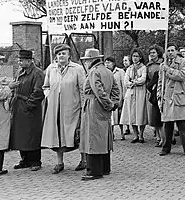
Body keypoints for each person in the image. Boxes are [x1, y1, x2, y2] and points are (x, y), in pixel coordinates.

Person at [41, 44, 86, 174]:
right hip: (55, 109)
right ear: (56, 56)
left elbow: (83, 89)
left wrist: (83, 106)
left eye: (64, 53)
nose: (61, 56)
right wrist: (49, 95)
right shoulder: (51, 69)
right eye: (59, 54)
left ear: (69, 55)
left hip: (72, 108)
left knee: (76, 134)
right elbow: (45, 86)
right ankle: (59, 162)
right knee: (57, 135)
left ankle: (83, 160)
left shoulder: (77, 69)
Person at [80, 49, 120, 181]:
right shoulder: (108, 71)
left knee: (93, 138)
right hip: (103, 108)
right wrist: (113, 103)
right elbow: (115, 89)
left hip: (93, 106)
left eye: (86, 61)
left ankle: (94, 170)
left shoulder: (94, 72)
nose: (86, 63)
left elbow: (98, 91)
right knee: (103, 136)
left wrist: (108, 103)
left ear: (90, 60)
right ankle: (105, 167)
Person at [157, 43, 185, 158]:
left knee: (183, 125)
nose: (170, 52)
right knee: (167, 125)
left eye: (172, 50)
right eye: (168, 50)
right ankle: (166, 147)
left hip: (179, 96)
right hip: (167, 97)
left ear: (176, 51)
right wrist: (159, 95)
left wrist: (168, 70)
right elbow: (160, 81)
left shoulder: (184, 62)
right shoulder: (162, 65)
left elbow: (182, 76)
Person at [9, 50, 45, 171]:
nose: (19, 62)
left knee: (32, 134)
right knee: (20, 135)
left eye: (21, 60)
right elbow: (15, 86)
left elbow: (39, 92)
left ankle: (35, 161)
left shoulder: (38, 73)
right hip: (18, 106)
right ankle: (25, 159)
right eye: (19, 60)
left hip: (30, 108)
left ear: (29, 61)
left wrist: (29, 104)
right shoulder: (19, 71)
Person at [120, 48, 148, 143]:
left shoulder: (143, 67)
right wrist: (132, 83)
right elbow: (125, 81)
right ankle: (135, 134)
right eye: (133, 56)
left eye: (137, 56)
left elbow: (143, 79)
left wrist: (134, 82)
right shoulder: (129, 68)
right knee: (132, 113)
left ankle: (141, 134)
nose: (135, 58)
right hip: (131, 92)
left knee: (140, 113)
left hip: (140, 92)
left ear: (140, 57)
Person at [146, 45, 164, 147]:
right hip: (153, 91)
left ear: (158, 53)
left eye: (154, 52)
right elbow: (148, 79)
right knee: (155, 116)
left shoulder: (163, 62)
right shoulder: (148, 65)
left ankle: (167, 137)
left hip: (162, 90)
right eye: (150, 53)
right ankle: (158, 137)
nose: (152, 55)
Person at [105, 56, 126, 140]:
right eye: (106, 62)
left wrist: (123, 97)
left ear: (113, 63)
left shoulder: (120, 71)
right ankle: (112, 134)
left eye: (108, 62)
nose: (107, 64)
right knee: (111, 118)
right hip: (109, 98)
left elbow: (123, 85)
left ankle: (122, 132)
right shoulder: (105, 72)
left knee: (120, 116)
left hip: (118, 96)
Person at [122, 55, 132, 135]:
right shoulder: (122, 71)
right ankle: (127, 127)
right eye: (123, 61)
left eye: (126, 60)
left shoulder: (131, 69)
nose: (124, 62)